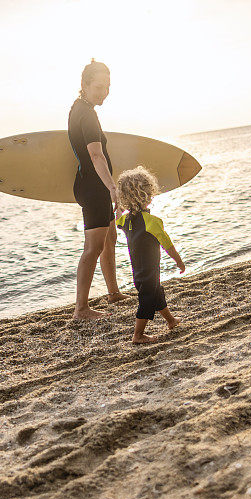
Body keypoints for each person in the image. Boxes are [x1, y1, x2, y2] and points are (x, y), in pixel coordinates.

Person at [68, 59, 129, 320]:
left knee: (109, 240)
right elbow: (95, 155)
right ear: (84, 85)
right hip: (94, 188)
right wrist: (113, 188)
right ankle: (81, 309)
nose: (104, 92)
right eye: (98, 87)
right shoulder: (87, 114)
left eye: (107, 87)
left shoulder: (79, 109)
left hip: (96, 186)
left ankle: (113, 292)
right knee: (93, 247)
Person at [115, 166, 184, 344]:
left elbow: (118, 220)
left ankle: (170, 321)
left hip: (138, 273)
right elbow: (168, 245)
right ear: (149, 194)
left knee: (157, 293)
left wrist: (117, 208)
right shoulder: (153, 222)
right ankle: (138, 335)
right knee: (147, 301)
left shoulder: (125, 221)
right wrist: (179, 263)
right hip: (149, 272)